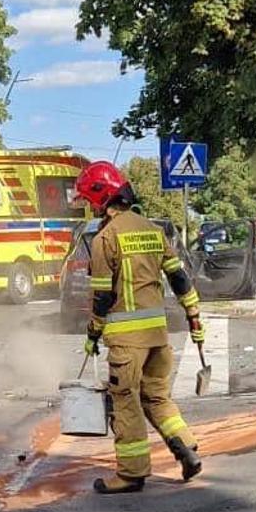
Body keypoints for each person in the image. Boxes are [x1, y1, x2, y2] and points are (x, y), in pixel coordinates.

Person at [75, 160, 207, 494]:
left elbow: (102, 296)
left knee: (126, 403)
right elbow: (179, 277)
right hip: (158, 338)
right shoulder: (152, 230)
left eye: (90, 200)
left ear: (102, 197)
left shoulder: (106, 239)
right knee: (157, 398)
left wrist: (93, 333)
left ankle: (131, 473)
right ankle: (187, 447)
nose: (90, 207)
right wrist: (193, 315)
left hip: (127, 343)